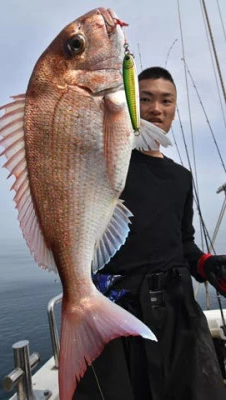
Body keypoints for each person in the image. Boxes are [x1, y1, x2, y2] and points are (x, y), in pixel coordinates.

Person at [73, 67, 226, 400]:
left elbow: (184, 242)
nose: (156, 108)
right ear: (129, 104)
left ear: (174, 108)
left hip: (178, 311)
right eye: (145, 99)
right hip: (119, 312)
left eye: (166, 100)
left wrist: (206, 265)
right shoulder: (106, 166)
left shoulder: (181, 178)